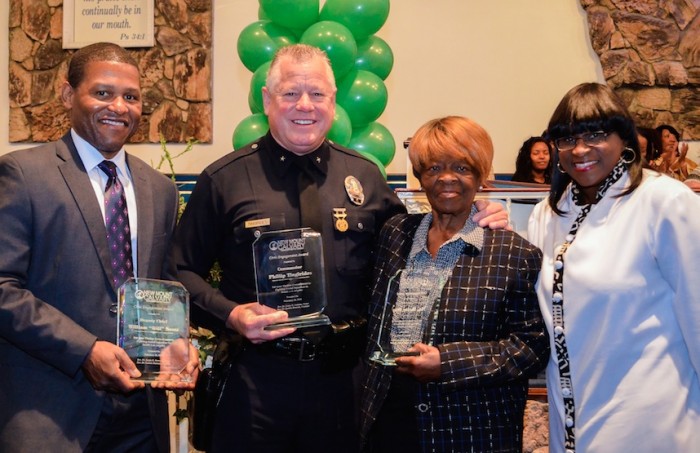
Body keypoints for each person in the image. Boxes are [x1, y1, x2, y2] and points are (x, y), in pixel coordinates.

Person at [173, 44, 509, 453]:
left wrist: (473, 216)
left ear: (333, 102)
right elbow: (180, 272)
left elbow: (412, 244)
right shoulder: (224, 180)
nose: (305, 106)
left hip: (345, 385)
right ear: (266, 98)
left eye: (317, 94)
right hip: (256, 381)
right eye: (290, 93)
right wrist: (232, 314)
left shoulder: (364, 176)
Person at [0, 42, 199, 453]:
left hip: (142, 418)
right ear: (68, 95)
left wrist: (176, 341)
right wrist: (84, 349)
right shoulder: (23, 174)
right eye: (103, 93)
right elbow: (3, 287)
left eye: (131, 96)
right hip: (51, 412)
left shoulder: (160, 189)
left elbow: (159, 288)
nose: (119, 107)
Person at [359, 116, 549, 452]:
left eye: (462, 167)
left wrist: (450, 362)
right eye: (433, 168)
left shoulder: (516, 254)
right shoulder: (394, 234)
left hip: (469, 430)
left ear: (481, 175)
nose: (447, 178)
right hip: (387, 422)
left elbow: (531, 347)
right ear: (419, 176)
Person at [528, 82, 700, 452]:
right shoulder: (548, 214)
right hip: (572, 412)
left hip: (650, 413)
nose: (580, 150)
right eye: (566, 139)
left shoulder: (664, 201)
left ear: (626, 139)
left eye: (595, 134)